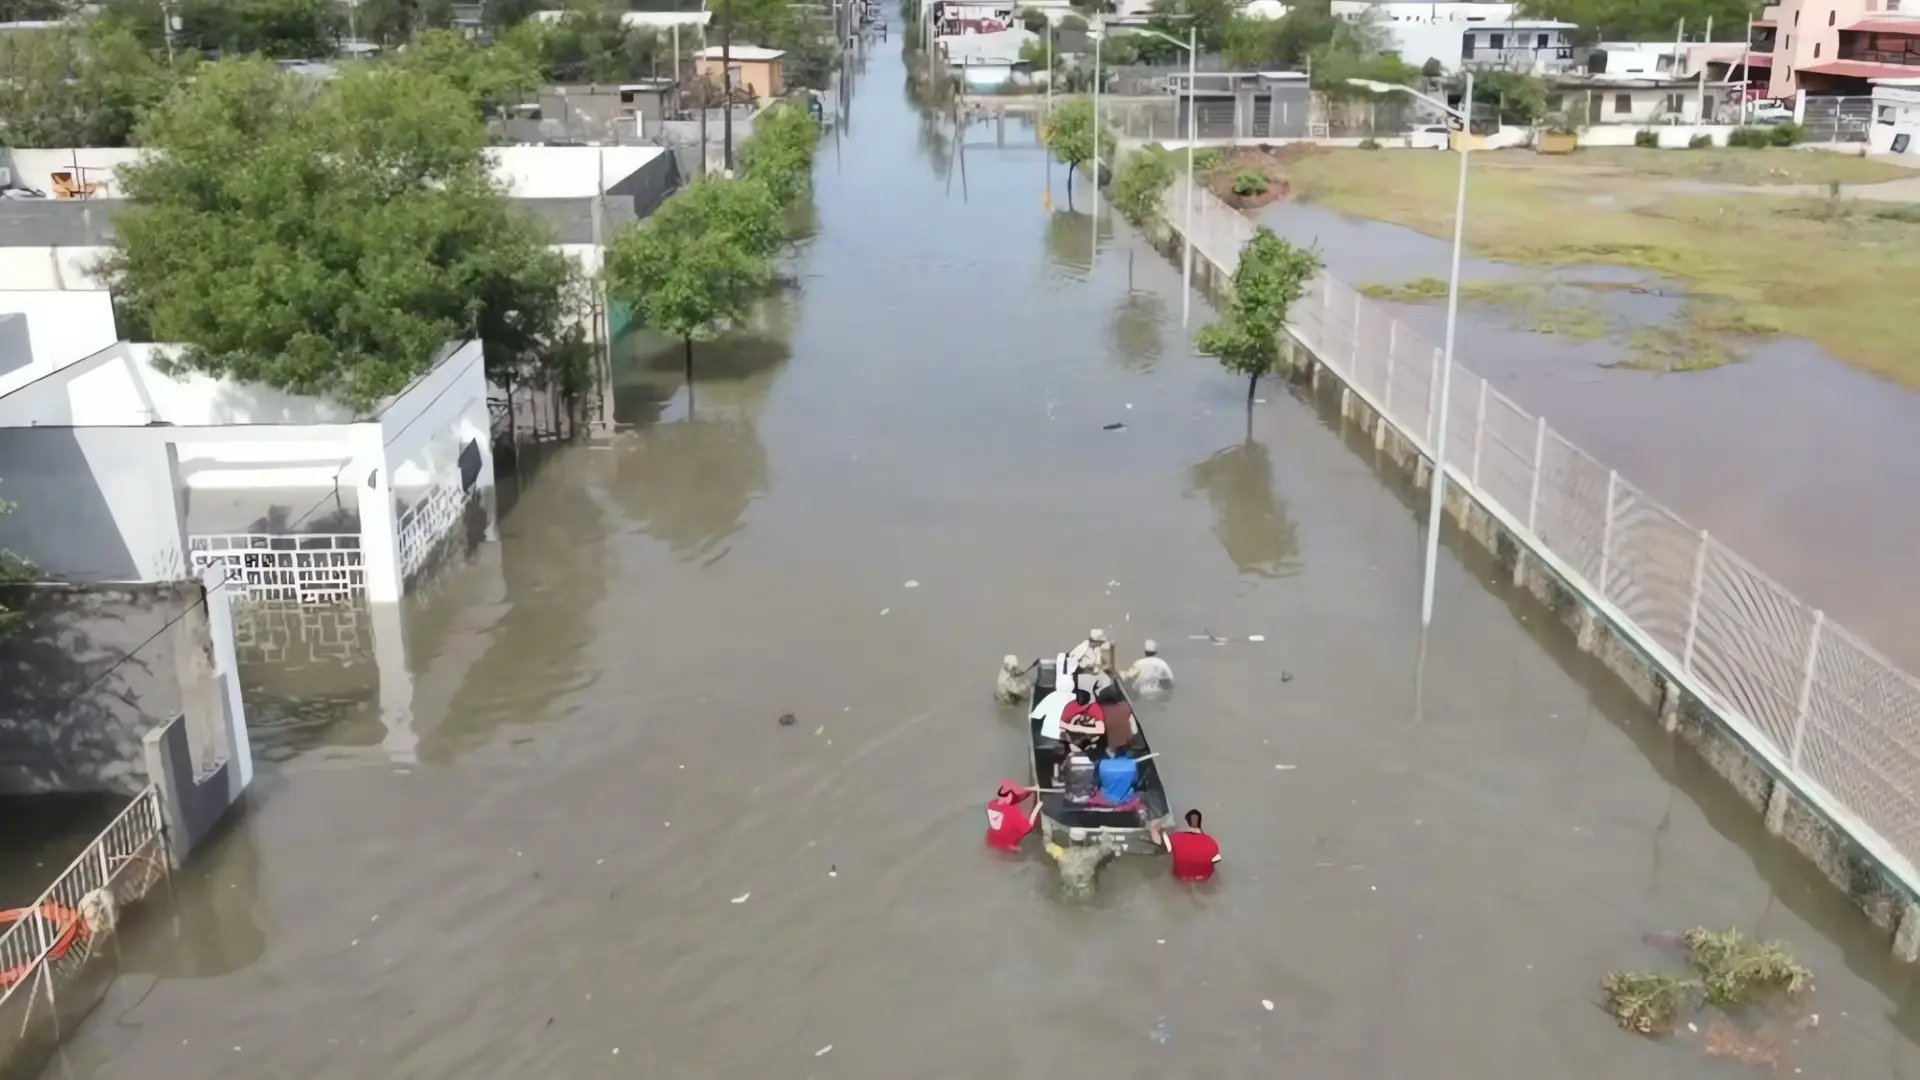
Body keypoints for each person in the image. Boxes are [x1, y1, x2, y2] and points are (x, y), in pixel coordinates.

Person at [1149, 809, 1221, 881]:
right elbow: (1216, 860)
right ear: (1200, 823)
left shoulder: (1175, 838)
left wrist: (1154, 829)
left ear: (1186, 823)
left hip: (1181, 878)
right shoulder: (1212, 842)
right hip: (1204, 879)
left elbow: (1158, 845)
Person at [986, 781, 1042, 850]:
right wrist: (1038, 807)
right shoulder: (1012, 811)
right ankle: (1011, 846)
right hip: (1008, 844)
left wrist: (1032, 788)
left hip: (991, 840)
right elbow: (1027, 826)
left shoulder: (990, 804)